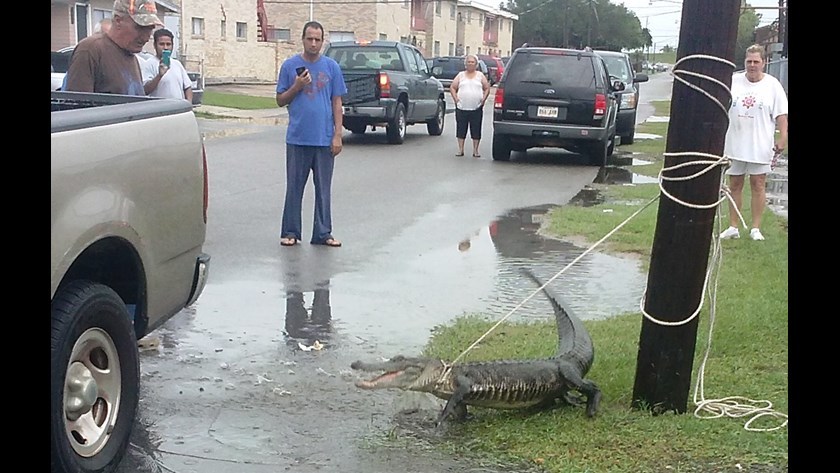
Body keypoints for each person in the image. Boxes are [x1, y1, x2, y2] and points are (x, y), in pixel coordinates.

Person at [275, 21, 347, 248]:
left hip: (324, 139)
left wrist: (337, 134)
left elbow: (337, 102)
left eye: (317, 39)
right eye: (310, 39)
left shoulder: (332, 67)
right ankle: (290, 231)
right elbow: (280, 100)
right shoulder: (290, 66)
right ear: (303, 39)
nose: (313, 43)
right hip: (298, 137)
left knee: (323, 189)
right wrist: (297, 86)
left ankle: (323, 233)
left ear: (322, 41)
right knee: (294, 188)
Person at [719, 44, 788, 241]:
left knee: (758, 184)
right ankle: (733, 226)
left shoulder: (772, 85)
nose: (752, 65)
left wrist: (783, 137)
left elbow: (782, 115)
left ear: (763, 63)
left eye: (756, 61)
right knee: (735, 184)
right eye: (749, 61)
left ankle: (755, 228)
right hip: (735, 142)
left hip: (760, 143)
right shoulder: (733, 81)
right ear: (744, 62)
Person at [64, 0, 161, 95]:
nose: (146, 37)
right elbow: (77, 105)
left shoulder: (132, 57)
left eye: (150, 29)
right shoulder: (90, 50)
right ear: (118, 21)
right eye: (140, 28)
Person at [450, 54, 490, 157]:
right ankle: (460, 149)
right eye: (469, 62)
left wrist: (483, 99)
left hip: (476, 107)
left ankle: (475, 150)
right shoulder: (461, 75)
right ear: (465, 64)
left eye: (472, 62)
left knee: (476, 129)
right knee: (461, 128)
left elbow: (487, 88)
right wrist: (456, 99)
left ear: (476, 64)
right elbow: (453, 87)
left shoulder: (480, 76)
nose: (470, 64)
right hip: (462, 107)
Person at [141, 28, 193, 101]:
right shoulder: (149, 64)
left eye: (168, 44)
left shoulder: (177, 64)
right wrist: (159, 75)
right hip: (161, 110)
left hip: (179, 109)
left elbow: (187, 87)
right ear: (155, 45)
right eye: (161, 44)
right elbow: (145, 90)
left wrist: (188, 104)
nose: (165, 48)